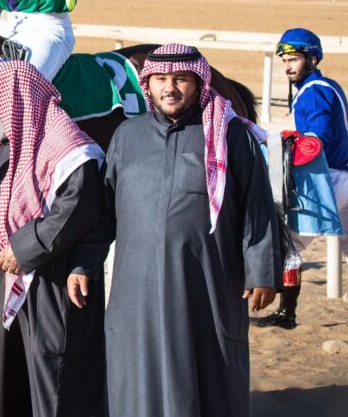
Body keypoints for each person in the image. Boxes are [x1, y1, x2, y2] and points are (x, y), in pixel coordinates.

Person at [70, 43, 280, 417]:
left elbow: (257, 207)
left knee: (208, 378)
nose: (170, 88)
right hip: (137, 293)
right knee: (136, 379)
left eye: (181, 79)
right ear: (147, 85)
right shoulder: (126, 137)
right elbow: (103, 213)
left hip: (206, 286)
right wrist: (83, 263)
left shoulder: (228, 137)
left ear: (198, 84)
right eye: (161, 80)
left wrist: (262, 272)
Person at [0, 61, 107, 417]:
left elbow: (79, 206)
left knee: (48, 385)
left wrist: (23, 247)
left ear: (17, 100)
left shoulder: (67, 148)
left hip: (44, 286)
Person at [260, 28, 348, 328]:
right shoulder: (328, 85)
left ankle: (286, 315)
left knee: (290, 247)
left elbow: (317, 138)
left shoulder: (313, 91)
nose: (288, 66)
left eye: (294, 59)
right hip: (343, 176)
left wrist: (287, 141)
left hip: (328, 178)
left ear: (312, 59)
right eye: (284, 60)